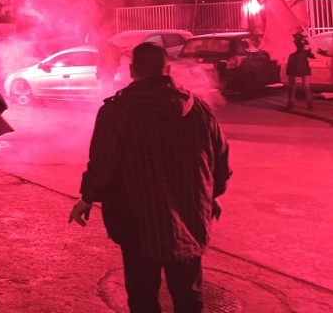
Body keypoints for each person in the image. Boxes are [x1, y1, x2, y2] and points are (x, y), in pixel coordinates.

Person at [69, 42, 231, 313]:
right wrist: (210, 196)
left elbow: (103, 163)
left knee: (143, 294)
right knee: (188, 295)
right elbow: (221, 162)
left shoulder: (116, 111)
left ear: (132, 71)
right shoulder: (199, 110)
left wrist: (87, 199)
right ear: (167, 69)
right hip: (190, 216)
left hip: (137, 221)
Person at [286, 31, 314, 110]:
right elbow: (308, 52)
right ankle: (309, 103)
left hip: (294, 63)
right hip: (301, 64)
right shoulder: (303, 39)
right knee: (305, 85)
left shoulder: (290, 39)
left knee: (293, 85)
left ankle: (291, 102)